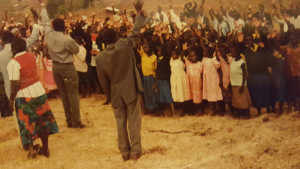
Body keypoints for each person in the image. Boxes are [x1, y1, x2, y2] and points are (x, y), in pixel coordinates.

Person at [95, 0, 145, 161]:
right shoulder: (125, 45)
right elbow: (136, 31)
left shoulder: (100, 58)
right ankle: (136, 151)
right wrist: (138, 12)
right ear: (116, 36)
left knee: (120, 123)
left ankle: (124, 152)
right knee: (134, 121)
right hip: (131, 89)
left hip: (116, 93)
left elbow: (102, 82)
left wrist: (109, 95)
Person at [7, 37, 59, 159]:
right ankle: (45, 149)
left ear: (13, 48)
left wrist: (11, 100)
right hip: (39, 92)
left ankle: (31, 151)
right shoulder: (31, 56)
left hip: (24, 96)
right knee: (42, 121)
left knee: (26, 124)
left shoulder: (13, 63)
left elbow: (15, 84)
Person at [41, 3, 85, 128]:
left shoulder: (48, 34)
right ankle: (76, 121)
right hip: (67, 67)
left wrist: (43, 7)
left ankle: (69, 121)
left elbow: (45, 21)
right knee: (73, 95)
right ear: (64, 26)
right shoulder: (67, 39)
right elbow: (76, 51)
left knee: (64, 95)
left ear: (53, 26)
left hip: (55, 67)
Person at [230, 47, 252, 118]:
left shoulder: (241, 62)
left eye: (232, 52)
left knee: (243, 100)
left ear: (237, 53)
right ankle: (240, 113)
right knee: (237, 100)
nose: (231, 54)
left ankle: (247, 113)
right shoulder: (233, 60)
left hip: (240, 84)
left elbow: (244, 74)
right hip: (234, 83)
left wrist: (242, 85)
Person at [138, 43, 158, 113]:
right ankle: (148, 108)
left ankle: (154, 108)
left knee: (152, 93)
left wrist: (155, 81)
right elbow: (138, 45)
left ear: (150, 48)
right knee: (146, 93)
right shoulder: (143, 55)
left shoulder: (154, 57)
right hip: (145, 77)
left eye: (146, 47)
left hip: (151, 77)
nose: (145, 49)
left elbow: (156, 70)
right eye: (144, 48)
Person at [185, 49, 204, 114]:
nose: (193, 57)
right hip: (190, 83)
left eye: (194, 56)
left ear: (197, 56)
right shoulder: (188, 64)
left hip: (197, 83)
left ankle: (200, 110)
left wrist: (202, 83)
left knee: (198, 97)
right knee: (191, 96)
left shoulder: (200, 64)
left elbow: (202, 74)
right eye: (191, 56)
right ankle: (193, 110)